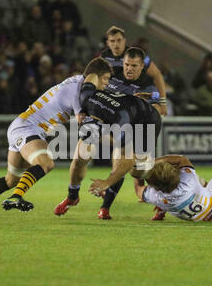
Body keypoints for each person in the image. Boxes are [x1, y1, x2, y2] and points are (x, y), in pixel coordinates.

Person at [0, 57, 112, 219]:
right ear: (94, 76)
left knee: (11, 180)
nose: (107, 83)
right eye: (106, 78)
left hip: (23, 126)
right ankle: (16, 197)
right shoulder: (78, 90)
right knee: (46, 163)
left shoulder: (76, 83)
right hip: (28, 127)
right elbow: (84, 124)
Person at [54, 75, 162, 220]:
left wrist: (106, 183)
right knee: (80, 156)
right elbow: (91, 75)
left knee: (136, 171)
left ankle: (162, 201)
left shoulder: (120, 122)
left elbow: (127, 159)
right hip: (122, 113)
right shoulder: (86, 97)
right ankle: (72, 196)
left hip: (146, 122)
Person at [101, 26, 168, 113]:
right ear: (107, 43)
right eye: (112, 41)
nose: (116, 44)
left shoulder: (139, 56)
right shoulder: (104, 57)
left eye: (119, 40)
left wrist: (162, 103)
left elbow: (157, 75)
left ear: (124, 41)